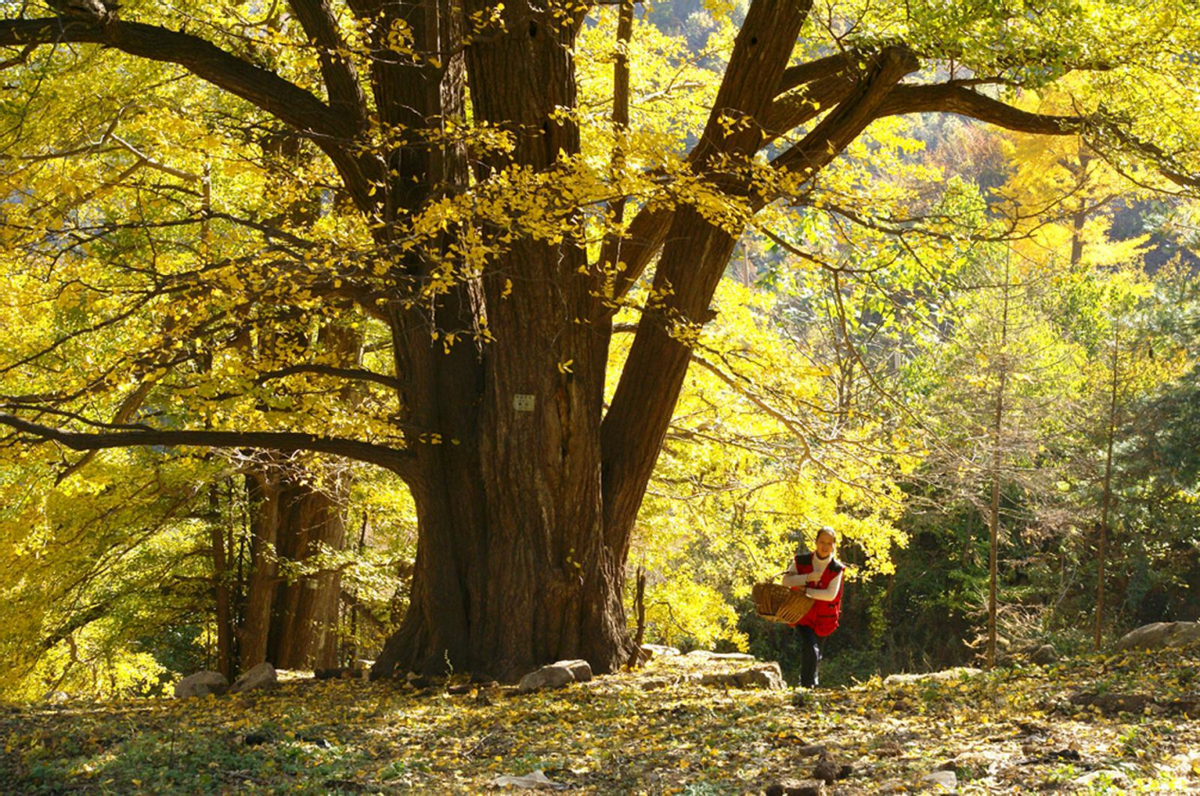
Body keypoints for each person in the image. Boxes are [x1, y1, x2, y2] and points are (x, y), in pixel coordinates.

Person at [781, 526, 844, 688]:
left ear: (833, 546)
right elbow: (786, 582)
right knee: (810, 646)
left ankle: (810, 683)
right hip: (802, 613)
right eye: (822, 542)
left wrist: (807, 590)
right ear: (815, 542)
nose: (825, 546)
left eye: (829, 543)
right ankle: (807, 685)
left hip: (825, 617)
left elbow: (830, 595)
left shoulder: (837, 569)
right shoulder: (801, 561)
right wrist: (807, 577)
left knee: (816, 652)